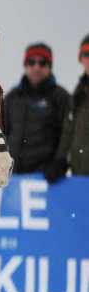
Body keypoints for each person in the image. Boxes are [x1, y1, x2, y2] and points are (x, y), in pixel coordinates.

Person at [3, 43, 69, 175]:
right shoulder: (12, 97)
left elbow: (66, 135)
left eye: (42, 63)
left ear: (49, 66)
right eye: (31, 62)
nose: (36, 67)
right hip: (12, 176)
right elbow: (1, 132)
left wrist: (58, 163)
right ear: (25, 65)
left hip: (45, 177)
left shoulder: (61, 97)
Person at [45, 35, 89, 182]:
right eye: (86, 54)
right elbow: (68, 131)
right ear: (81, 59)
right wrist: (60, 160)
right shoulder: (79, 93)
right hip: (80, 179)